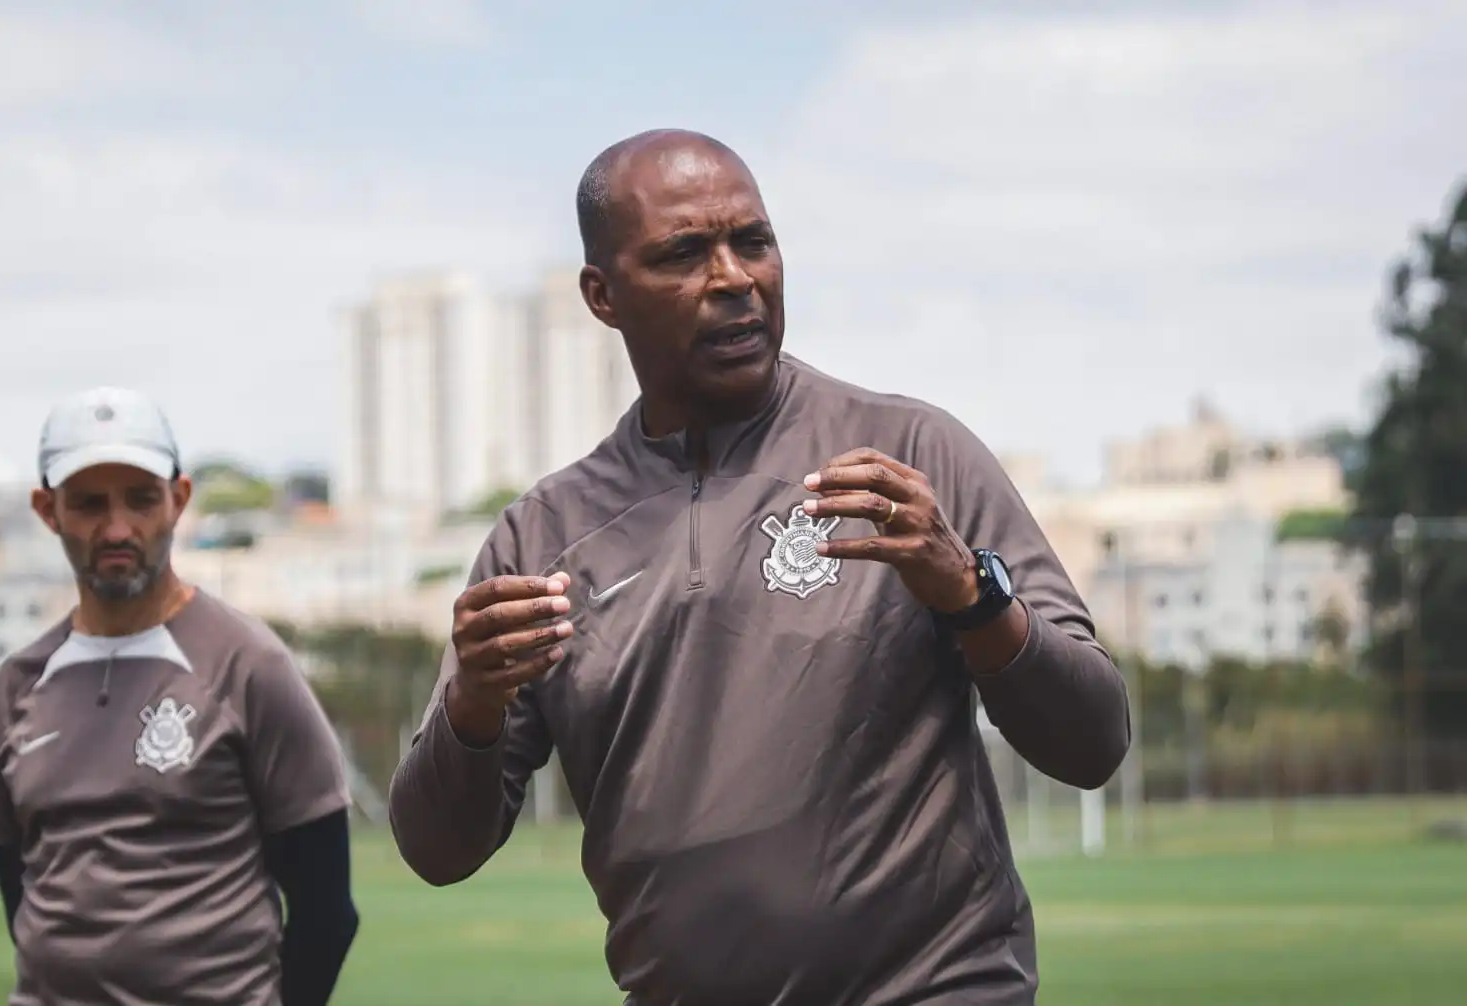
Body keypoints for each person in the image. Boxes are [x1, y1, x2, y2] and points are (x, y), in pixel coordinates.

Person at [388, 129, 1131, 1005]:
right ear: (603, 296)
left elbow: (1094, 743)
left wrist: (969, 594)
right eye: (684, 254)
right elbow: (438, 852)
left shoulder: (910, 457)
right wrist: (473, 704)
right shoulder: (543, 538)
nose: (734, 278)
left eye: (754, 241)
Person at [0, 386, 359, 1006]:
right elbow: (22, 901)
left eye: (141, 499)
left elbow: (327, 913)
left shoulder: (248, 665)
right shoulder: (15, 686)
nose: (118, 527)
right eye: (90, 504)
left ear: (178, 500)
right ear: (48, 510)